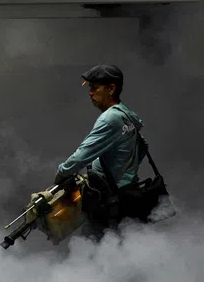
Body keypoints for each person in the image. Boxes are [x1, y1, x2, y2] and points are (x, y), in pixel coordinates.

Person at [54, 64, 144, 236]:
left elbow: (81, 156)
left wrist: (62, 173)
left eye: (95, 88)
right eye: (90, 88)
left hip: (111, 202)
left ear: (111, 89)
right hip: (126, 193)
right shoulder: (126, 113)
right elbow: (142, 148)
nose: (90, 93)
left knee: (94, 250)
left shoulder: (110, 119)